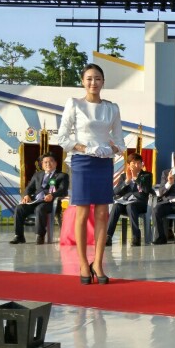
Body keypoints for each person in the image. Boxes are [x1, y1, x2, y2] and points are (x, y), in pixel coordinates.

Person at [54, 63, 126, 285]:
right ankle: (84, 263)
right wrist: (86, 149)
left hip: (104, 162)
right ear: (82, 81)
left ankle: (98, 263)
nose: (93, 82)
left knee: (103, 213)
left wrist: (110, 149)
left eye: (97, 78)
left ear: (103, 82)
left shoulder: (112, 108)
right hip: (82, 161)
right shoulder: (74, 104)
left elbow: (120, 141)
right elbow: (62, 138)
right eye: (89, 78)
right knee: (83, 212)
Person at [10, 153, 69, 244]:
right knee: (19, 208)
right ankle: (19, 236)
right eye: (45, 162)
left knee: (40, 208)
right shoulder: (37, 175)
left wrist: (52, 195)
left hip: (50, 203)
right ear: (42, 164)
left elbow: (63, 190)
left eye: (51, 161)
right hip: (35, 201)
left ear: (56, 163)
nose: (48, 164)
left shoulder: (62, 176)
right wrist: (26, 195)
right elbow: (29, 188)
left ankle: (40, 236)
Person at [106, 152, 153, 247]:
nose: (137, 166)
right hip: (125, 204)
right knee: (116, 206)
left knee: (131, 206)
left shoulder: (147, 175)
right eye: (134, 163)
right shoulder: (124, 176)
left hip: (140, 204)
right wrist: (127, 182)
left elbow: (146, 190)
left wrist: (136, 178)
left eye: (139, 163)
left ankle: (136, 236)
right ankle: (108, 236)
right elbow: (115, 192)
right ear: (128, 165)